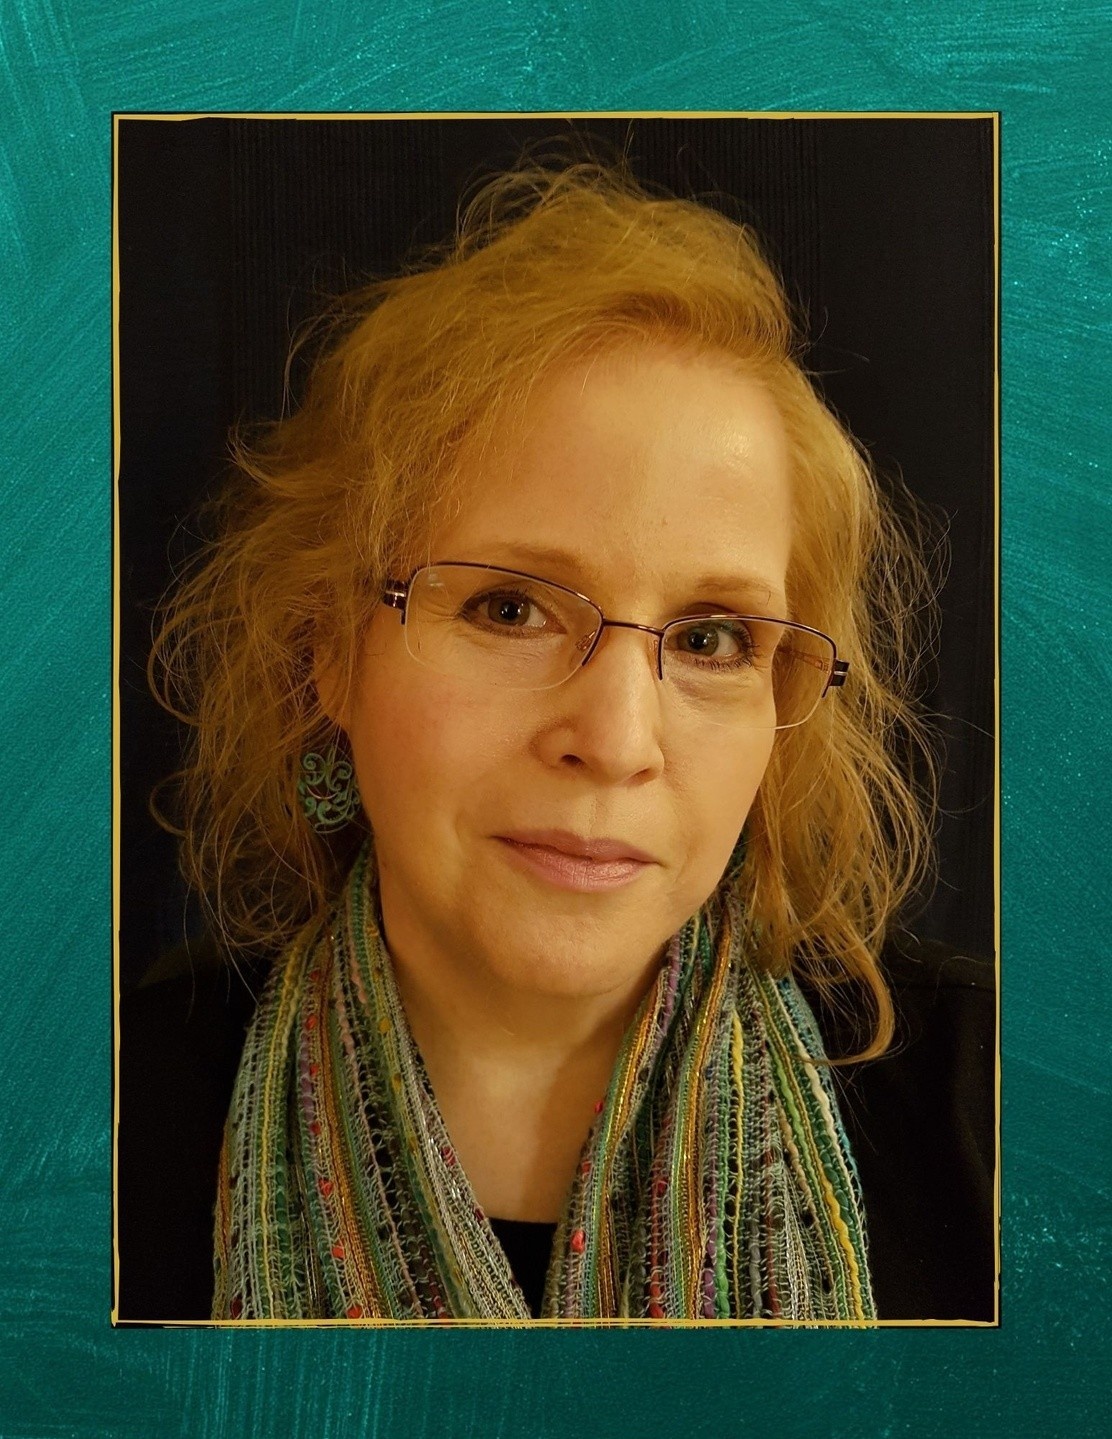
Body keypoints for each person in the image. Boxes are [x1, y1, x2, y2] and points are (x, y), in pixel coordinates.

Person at [117, 160, 995, 1323]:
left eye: (712, 637)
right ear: (328, 646)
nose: (618, 740)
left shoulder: (1005, 1110)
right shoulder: (85, 1122)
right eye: (508, 608)